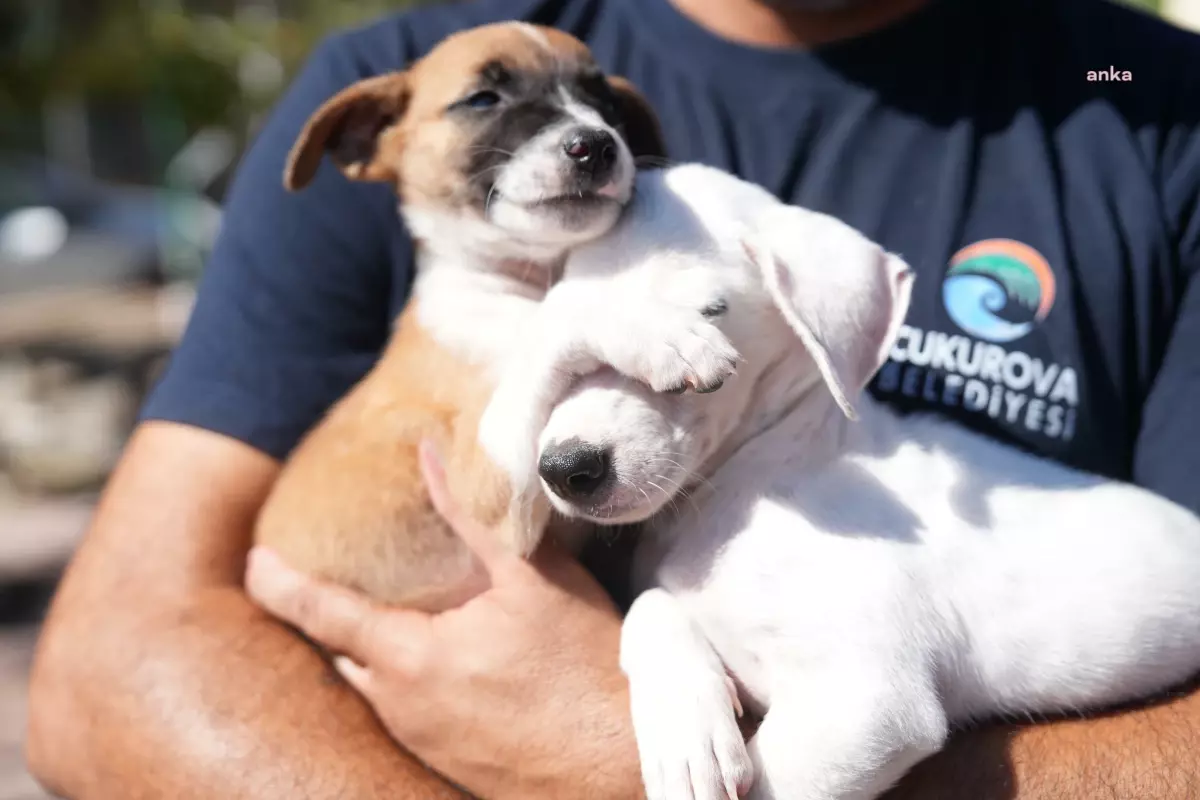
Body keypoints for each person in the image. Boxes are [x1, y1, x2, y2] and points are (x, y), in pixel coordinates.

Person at [25, 0, 1200, 797]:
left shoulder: (1155, 106)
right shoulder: (401, 79)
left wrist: (619, 752)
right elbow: (104, 675)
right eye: (495, 104)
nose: (581, 138)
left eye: (599, 110)